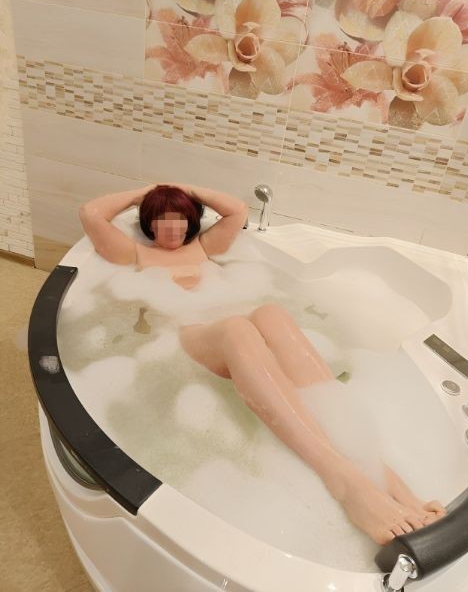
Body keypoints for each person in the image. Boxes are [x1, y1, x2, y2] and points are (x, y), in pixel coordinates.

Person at [79, 181, 447, 546]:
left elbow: (237, 210)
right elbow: (91, 214)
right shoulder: (135, 254)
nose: (172, 227)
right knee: (238, 327)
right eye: (162, 219)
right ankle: (344, 481)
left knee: (271, 313)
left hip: (241, 329)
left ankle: (391, 483)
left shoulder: (203, 247)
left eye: (180, 218)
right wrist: (146, 192)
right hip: (197, 334)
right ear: (149, 223)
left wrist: (185, 189)